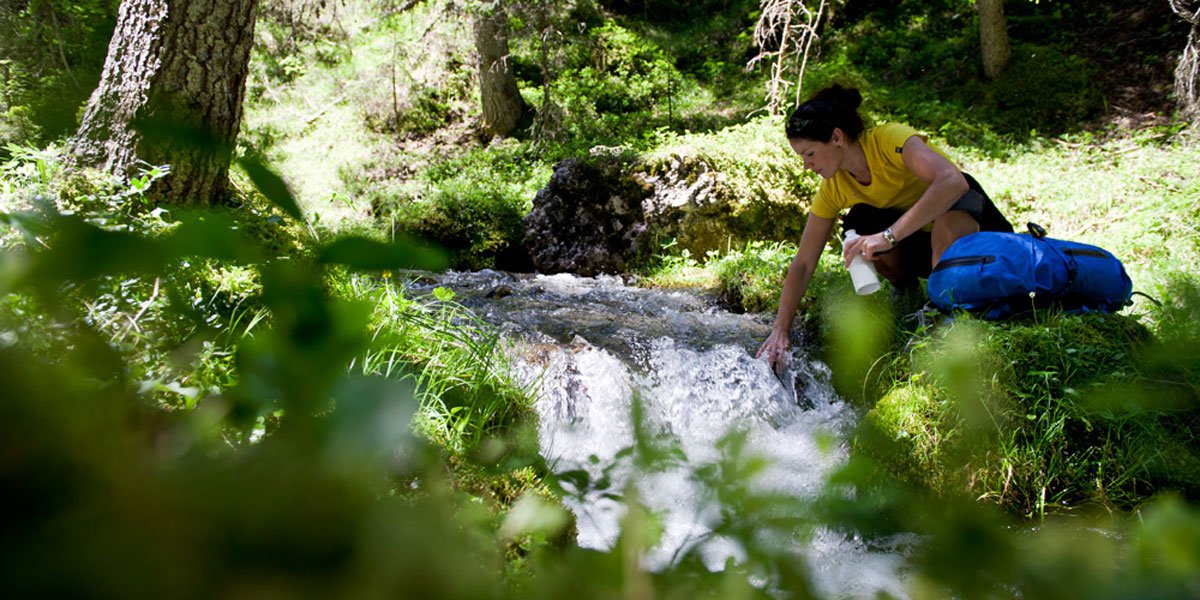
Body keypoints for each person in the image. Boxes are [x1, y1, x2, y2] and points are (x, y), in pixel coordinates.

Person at [756, 84, 1012, 370]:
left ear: (837, 137)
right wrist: (781, 328)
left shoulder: (889, 140)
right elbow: (804, 262)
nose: (806, 165)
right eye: (801, 157)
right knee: (858, 222)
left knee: (954, 199)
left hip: (980, 235)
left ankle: (944, 309)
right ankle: (909, 293)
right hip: (924, 248)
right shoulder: (833, 188)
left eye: (810, 153)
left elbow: (952, 182)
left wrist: (889, 236)